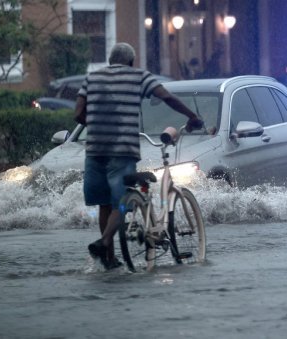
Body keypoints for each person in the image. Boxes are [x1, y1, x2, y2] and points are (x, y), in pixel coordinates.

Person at [74, 42, 203, 269]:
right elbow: (167, 97)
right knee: (122, 202)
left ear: (110, 60)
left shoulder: (91, 78)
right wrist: (192, 116)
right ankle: (104, 242)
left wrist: (97, 124)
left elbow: (77, 114)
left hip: (94, 149)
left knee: (104, 204)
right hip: (122, 149)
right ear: (131, 62)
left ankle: (109, 258)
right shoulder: (139, 76)